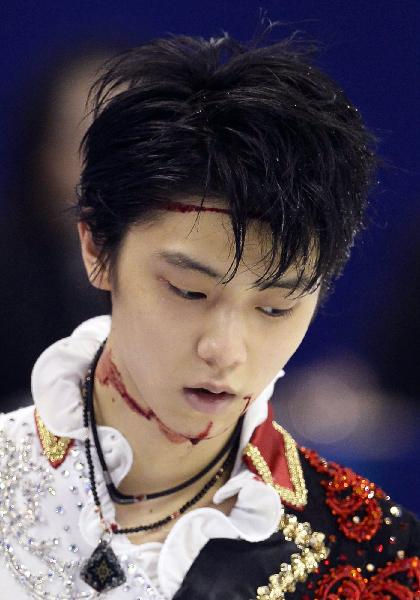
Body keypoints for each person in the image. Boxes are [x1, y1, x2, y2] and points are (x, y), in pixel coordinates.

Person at [0, 28, 418, 600]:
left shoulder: (377, 560)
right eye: (188, 292)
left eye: (275, 307)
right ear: (96, 247)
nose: (225, 350)